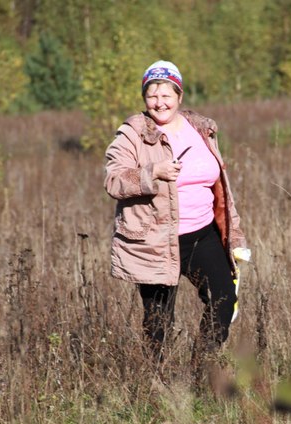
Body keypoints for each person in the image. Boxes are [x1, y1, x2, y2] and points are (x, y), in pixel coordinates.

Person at [104, 60, 248, 378]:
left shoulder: (202, 130)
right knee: (159, 320)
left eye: (166, 93)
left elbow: (222, 188)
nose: (159, 102)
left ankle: (200, 372)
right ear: (144, 97)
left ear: (179, 95)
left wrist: (234, 234)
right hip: (154, 240)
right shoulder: (134, 132)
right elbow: (113, 180)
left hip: (203, 235)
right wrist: (151, 172)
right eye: (152, 94)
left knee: (224, 298)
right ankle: (162, 386)